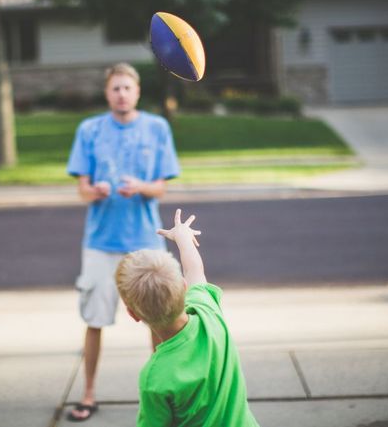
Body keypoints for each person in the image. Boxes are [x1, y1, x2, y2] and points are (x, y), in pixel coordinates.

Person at [66, 62, 181, 422]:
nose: (121, 94)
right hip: (101, 242)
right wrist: (95, 190)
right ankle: (87, 394)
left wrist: (142, 187)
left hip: (146, 241)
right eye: (115, 88)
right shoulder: (89, 130)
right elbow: (81, 190)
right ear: (107, 93)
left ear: (137, 91)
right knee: (95, 318)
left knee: (161, 322)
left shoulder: (157, 128)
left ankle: (161, 396)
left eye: (127, 88)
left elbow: (162, 186)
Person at [115, 208, 260, 426]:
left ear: (133, 314)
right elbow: (194, 270)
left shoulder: (155, 377)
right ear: (184, 287)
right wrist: (182, 237)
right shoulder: (207, 312)